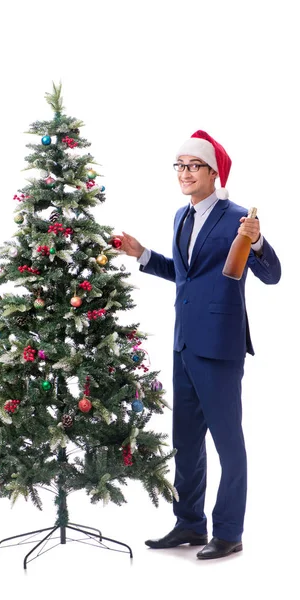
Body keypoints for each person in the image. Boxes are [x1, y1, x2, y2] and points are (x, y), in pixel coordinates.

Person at [116, 130, 281, 560]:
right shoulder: (180, 217)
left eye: (193, 166)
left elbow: (272, 274)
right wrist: (143, 255)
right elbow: (186, 275)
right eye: (180, 166)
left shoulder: (238, 218)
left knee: (229, 444)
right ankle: (190, 524)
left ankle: (229, 532)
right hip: (184, 343)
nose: (185, 173)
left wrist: (258, 241)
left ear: (213, 172)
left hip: (220, 346)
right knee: (186, 442)